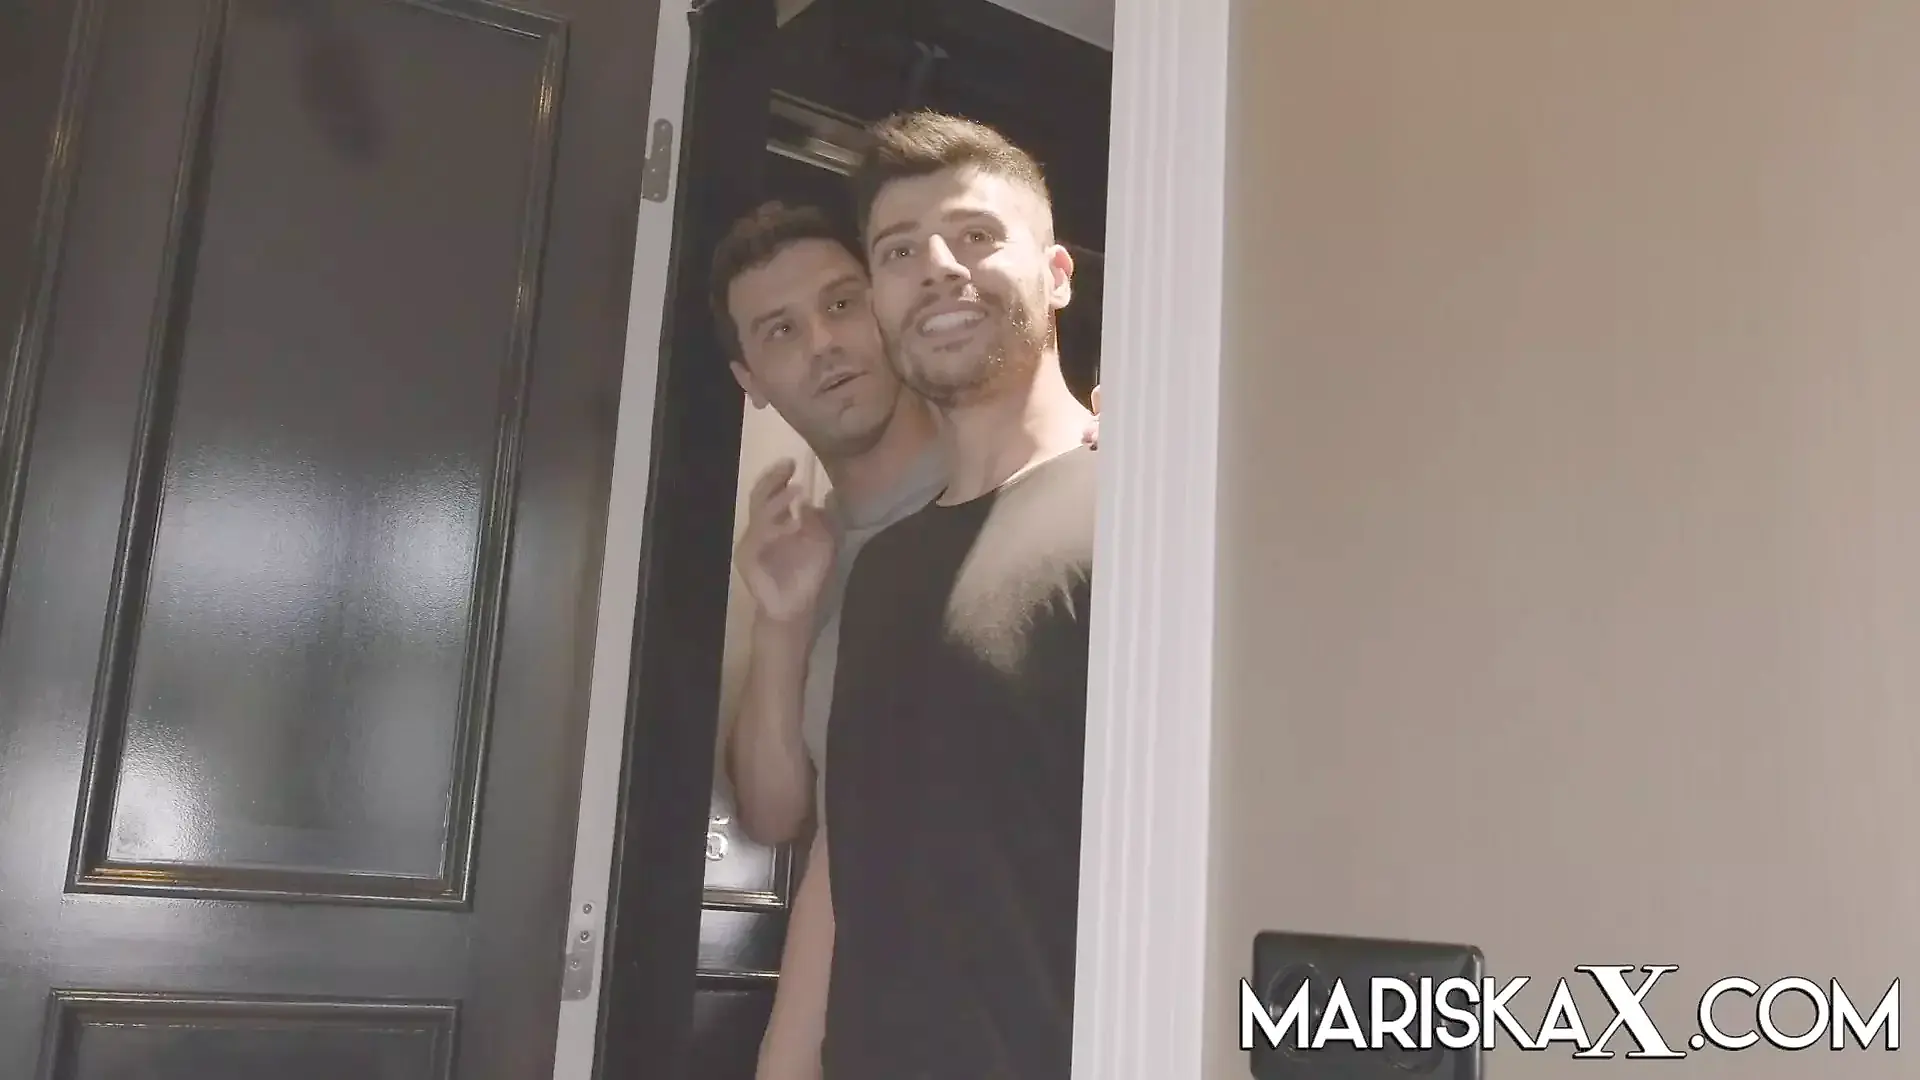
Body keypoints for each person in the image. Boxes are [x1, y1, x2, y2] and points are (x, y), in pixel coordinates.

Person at [707, 199, 1098, 1078]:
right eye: (781, 330)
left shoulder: (1045, 481)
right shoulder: (810, 551)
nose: (824, 344)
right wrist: (782, 620)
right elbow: (791, 820)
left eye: (842, 303)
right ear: (750, 377)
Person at [816, 110, 1099, 1079]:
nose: (937, 266)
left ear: (1057, 274)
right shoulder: (882, 570)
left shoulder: (1141, 513)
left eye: (975, 234)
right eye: (899, 250)